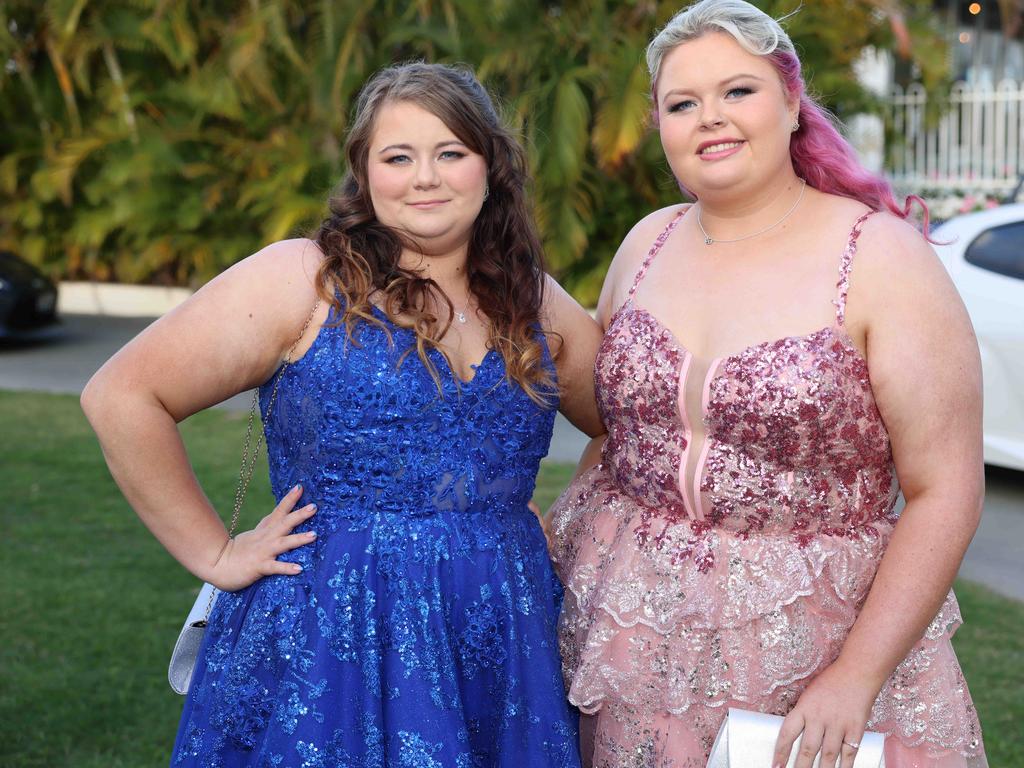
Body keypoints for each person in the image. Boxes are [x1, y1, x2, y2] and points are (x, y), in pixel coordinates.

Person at [82, 62, 602, 767]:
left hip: (499, 627)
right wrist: (214, 552)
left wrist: (563, 521)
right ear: (363, 172)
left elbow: (630, 424)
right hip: (330, 632)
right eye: (399, 157)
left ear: (490, 168)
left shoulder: (532, 300)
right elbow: (121, 396)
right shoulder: (304, 278)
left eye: (451, 152)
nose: (426, 176)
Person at [548, 2, 988, 767]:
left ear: (791, 101)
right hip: (633, 635)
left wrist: (855, 676)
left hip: (814, 645)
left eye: (737, 92)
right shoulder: (646, 243)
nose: (710, 119)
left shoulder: (880, 259)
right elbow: (615, 439)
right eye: (683, 104)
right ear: (659, 126)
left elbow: (946, 489)